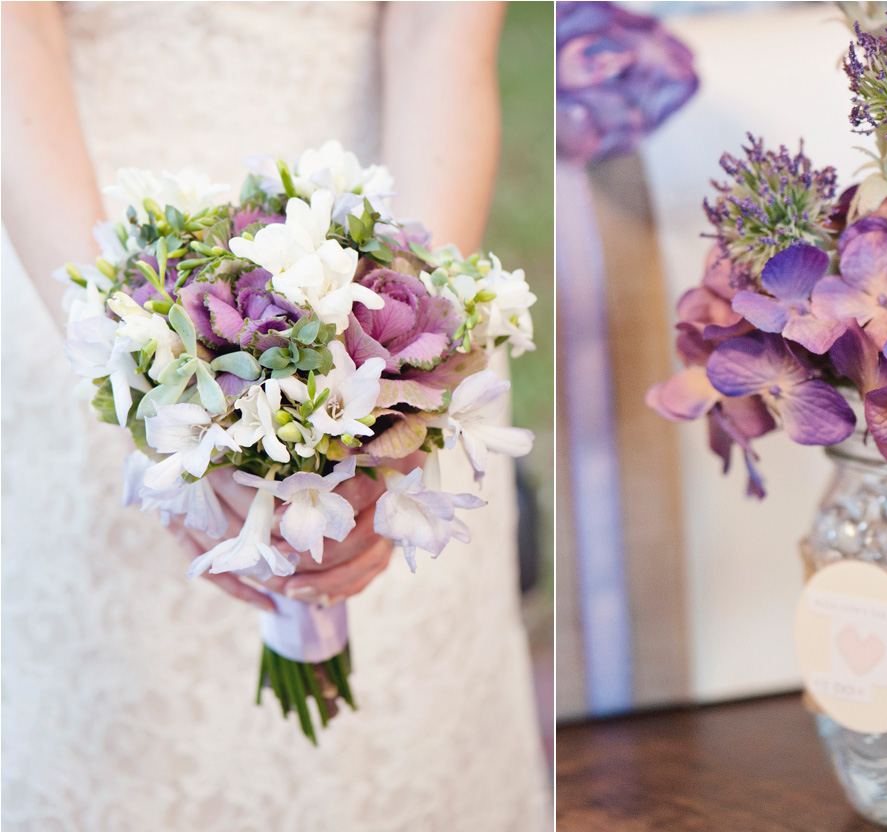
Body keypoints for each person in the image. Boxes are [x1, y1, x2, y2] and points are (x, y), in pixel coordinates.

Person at [1, 3, 549, 829]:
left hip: (368, 275)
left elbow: (439, 29)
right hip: (82, 265)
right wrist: (137, 378)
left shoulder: (393, 341)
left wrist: (405, 377)